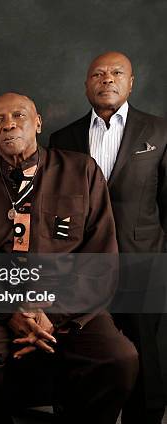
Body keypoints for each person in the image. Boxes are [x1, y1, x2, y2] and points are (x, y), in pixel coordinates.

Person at [0, 92, 138, 424]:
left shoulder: (82, 171)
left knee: (119, 358)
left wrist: (54, 314)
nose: (9, 125)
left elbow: (101, 258)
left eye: (19, 116)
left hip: (69, 298)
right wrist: (10, 313)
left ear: (38, 123)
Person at [50, 51, 167, 424]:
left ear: (131, 82)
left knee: (144, 352)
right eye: (98, 74)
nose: (107, 79)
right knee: (80, 344)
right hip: (81, 264)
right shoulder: (63, 138)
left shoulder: (160, 132)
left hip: (142, 260)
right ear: (86, 84)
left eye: (117, 72)